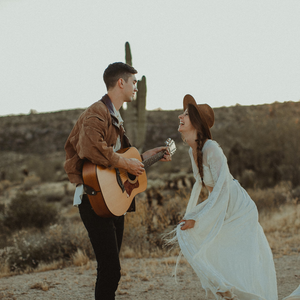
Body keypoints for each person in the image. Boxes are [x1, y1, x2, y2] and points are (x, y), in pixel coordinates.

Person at [64, 62, 171, 300]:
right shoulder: (96, 112)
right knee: (111, 270)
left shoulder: (115, 116)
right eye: (134, 82)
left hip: (112, 200)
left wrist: (148, 156)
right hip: (94, 199)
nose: (136, 88)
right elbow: (92, 148)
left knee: (111, 271)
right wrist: (126, 163)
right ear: (121, 82)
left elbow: (120, 161)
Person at [173, 94, 279, 299]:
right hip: (220, 204)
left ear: (196, 123)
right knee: (187, 233)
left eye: (185, 114)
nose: (180, 116)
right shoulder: (192, 151)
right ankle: (223, 287)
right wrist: (191, 213)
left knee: (238, 260)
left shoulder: (211, 148)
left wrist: (199, 218)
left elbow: (222, 187)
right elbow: (199, 185)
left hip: (238, 208)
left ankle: (232, 290)